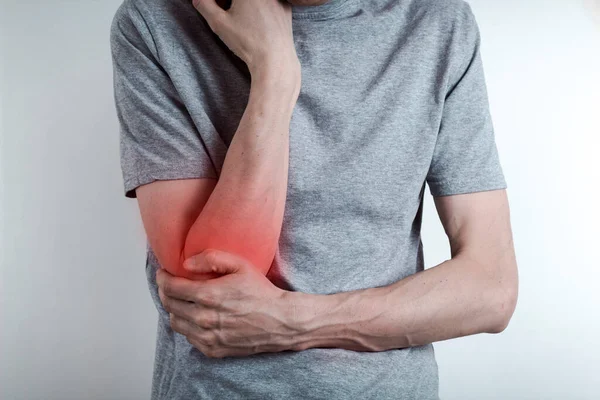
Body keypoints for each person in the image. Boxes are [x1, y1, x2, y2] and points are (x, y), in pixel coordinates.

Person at [109, 0, 519, 398]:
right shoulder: (156, 20)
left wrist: (294, 321)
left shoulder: (438, 21)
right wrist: (275, 76)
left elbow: (490, 289)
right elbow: (209, 292)